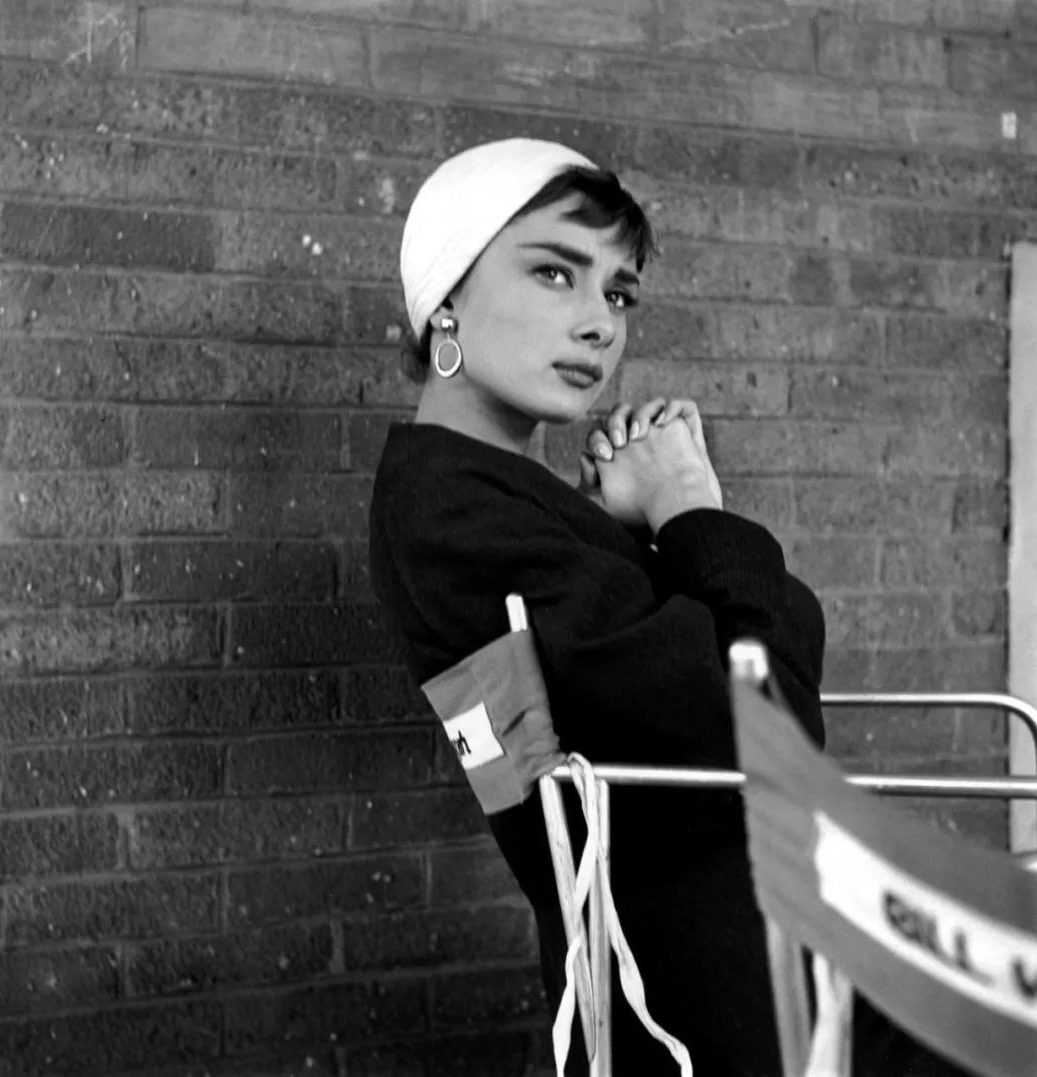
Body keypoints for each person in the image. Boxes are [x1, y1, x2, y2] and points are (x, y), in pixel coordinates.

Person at [367, 138, 969, 1076]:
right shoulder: (451, 508)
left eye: (618, 294)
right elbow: (768, 717)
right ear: (446, 295)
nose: (598, 325)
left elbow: (756, 654)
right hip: (718, 995)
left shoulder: (508, 501)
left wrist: (644, 533)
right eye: (554, 272)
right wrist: (689, 507)